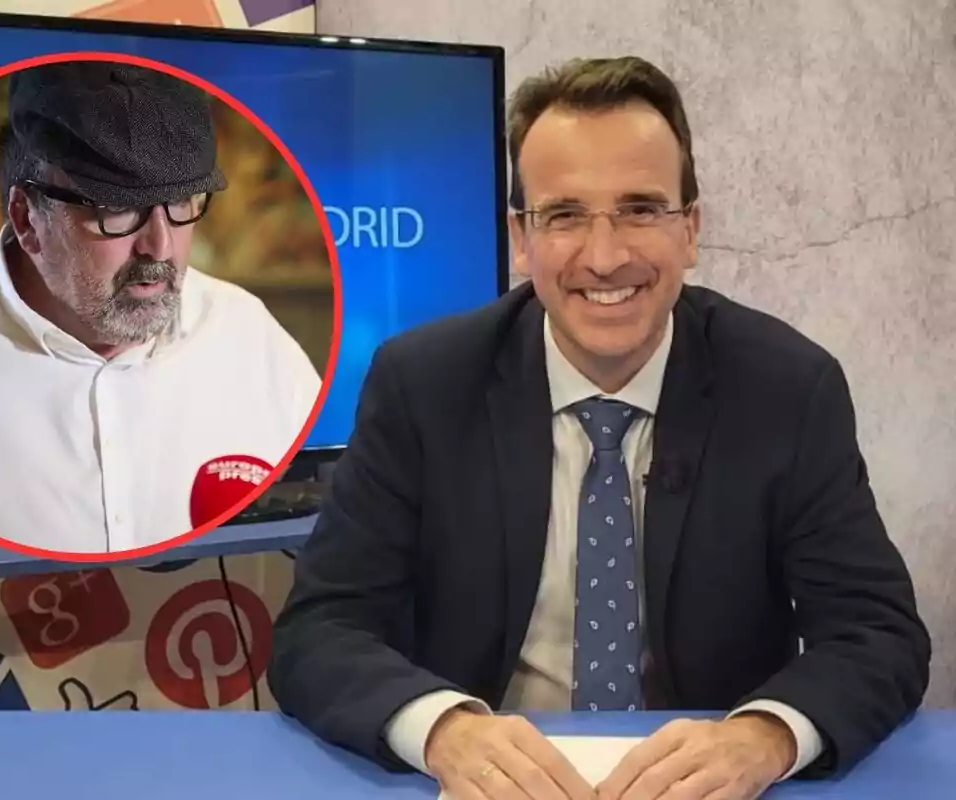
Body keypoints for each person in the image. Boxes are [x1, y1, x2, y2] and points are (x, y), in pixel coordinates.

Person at [268, 56, 930, 800]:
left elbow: (879, 636)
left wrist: (764, 737)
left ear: (692, 229)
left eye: (642, 209)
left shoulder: (787, 389)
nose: (605, 255)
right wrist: (445, 730)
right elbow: (319, 630)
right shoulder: (422, 383)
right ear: (521, 238)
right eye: (565, 216)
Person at [0, 61, 322, 554]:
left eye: (181, 204)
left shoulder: (248, 334)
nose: (159, 247)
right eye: (117, 208)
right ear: (27, 219)